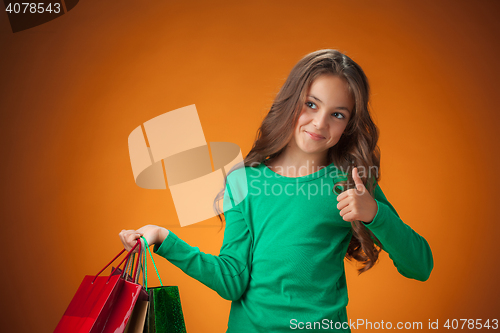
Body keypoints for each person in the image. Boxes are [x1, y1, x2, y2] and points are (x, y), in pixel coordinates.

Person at [119, 49, 434, 332]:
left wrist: (374, 214)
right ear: (291, 101)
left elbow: (420, 266)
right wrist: (164, 238)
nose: (320, 123)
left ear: (348, 125)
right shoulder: (244, 181)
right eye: (311, 104)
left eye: (337, 114)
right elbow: (232, 280)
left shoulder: (352, 182)